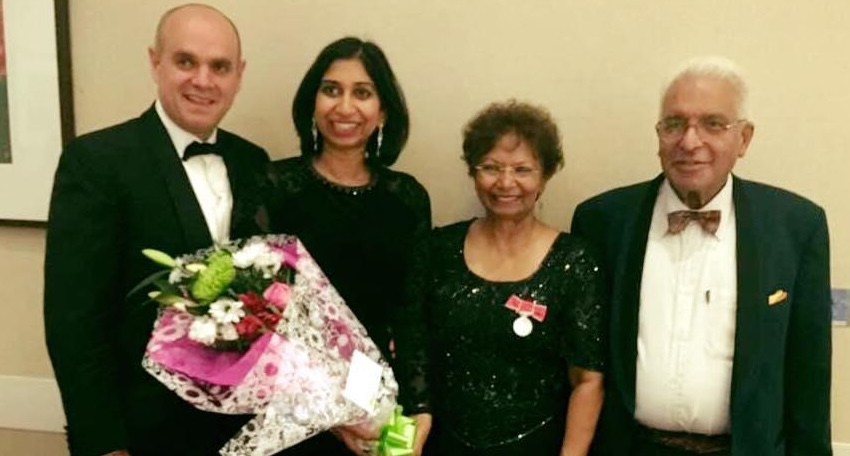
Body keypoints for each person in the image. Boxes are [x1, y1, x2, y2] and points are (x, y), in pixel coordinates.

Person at [571, 57, 832, 456]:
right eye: (674, 124)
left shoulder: (796, 227)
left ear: (744, 139)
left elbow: (809, 375)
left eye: (713, 124)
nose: (690, 142)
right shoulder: (602, 221)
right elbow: (579, 361)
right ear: (659, 135)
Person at [44, 5, 272, 456]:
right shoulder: (97, 161)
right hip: (140, 432)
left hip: (240, 432)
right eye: (186, 61)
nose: (203, 80)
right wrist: (105, 442)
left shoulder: (253, 162)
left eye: (220, 67)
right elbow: (74, 323)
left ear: (239, 75)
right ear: (155, 62)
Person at [394, 100, 606, 455]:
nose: (506, 183)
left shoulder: (575, 260)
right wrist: (412, 430)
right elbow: (413, 350)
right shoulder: (436, 250)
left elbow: (587, 380)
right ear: (473, 172)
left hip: (538, 446)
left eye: (522, 169)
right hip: (441, 443)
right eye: (491, 167)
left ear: (545, 176)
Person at [266, 37, 432, 455]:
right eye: (331, 90)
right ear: (312, 102)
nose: (344, 107)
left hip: (376, 403)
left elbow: (411, 313)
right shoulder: (274, 187)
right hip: (290, 409)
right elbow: (259, 314)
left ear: (383, 112)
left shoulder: (407, 197)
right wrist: (329, 413)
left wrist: (420, 408)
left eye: (362, 93)